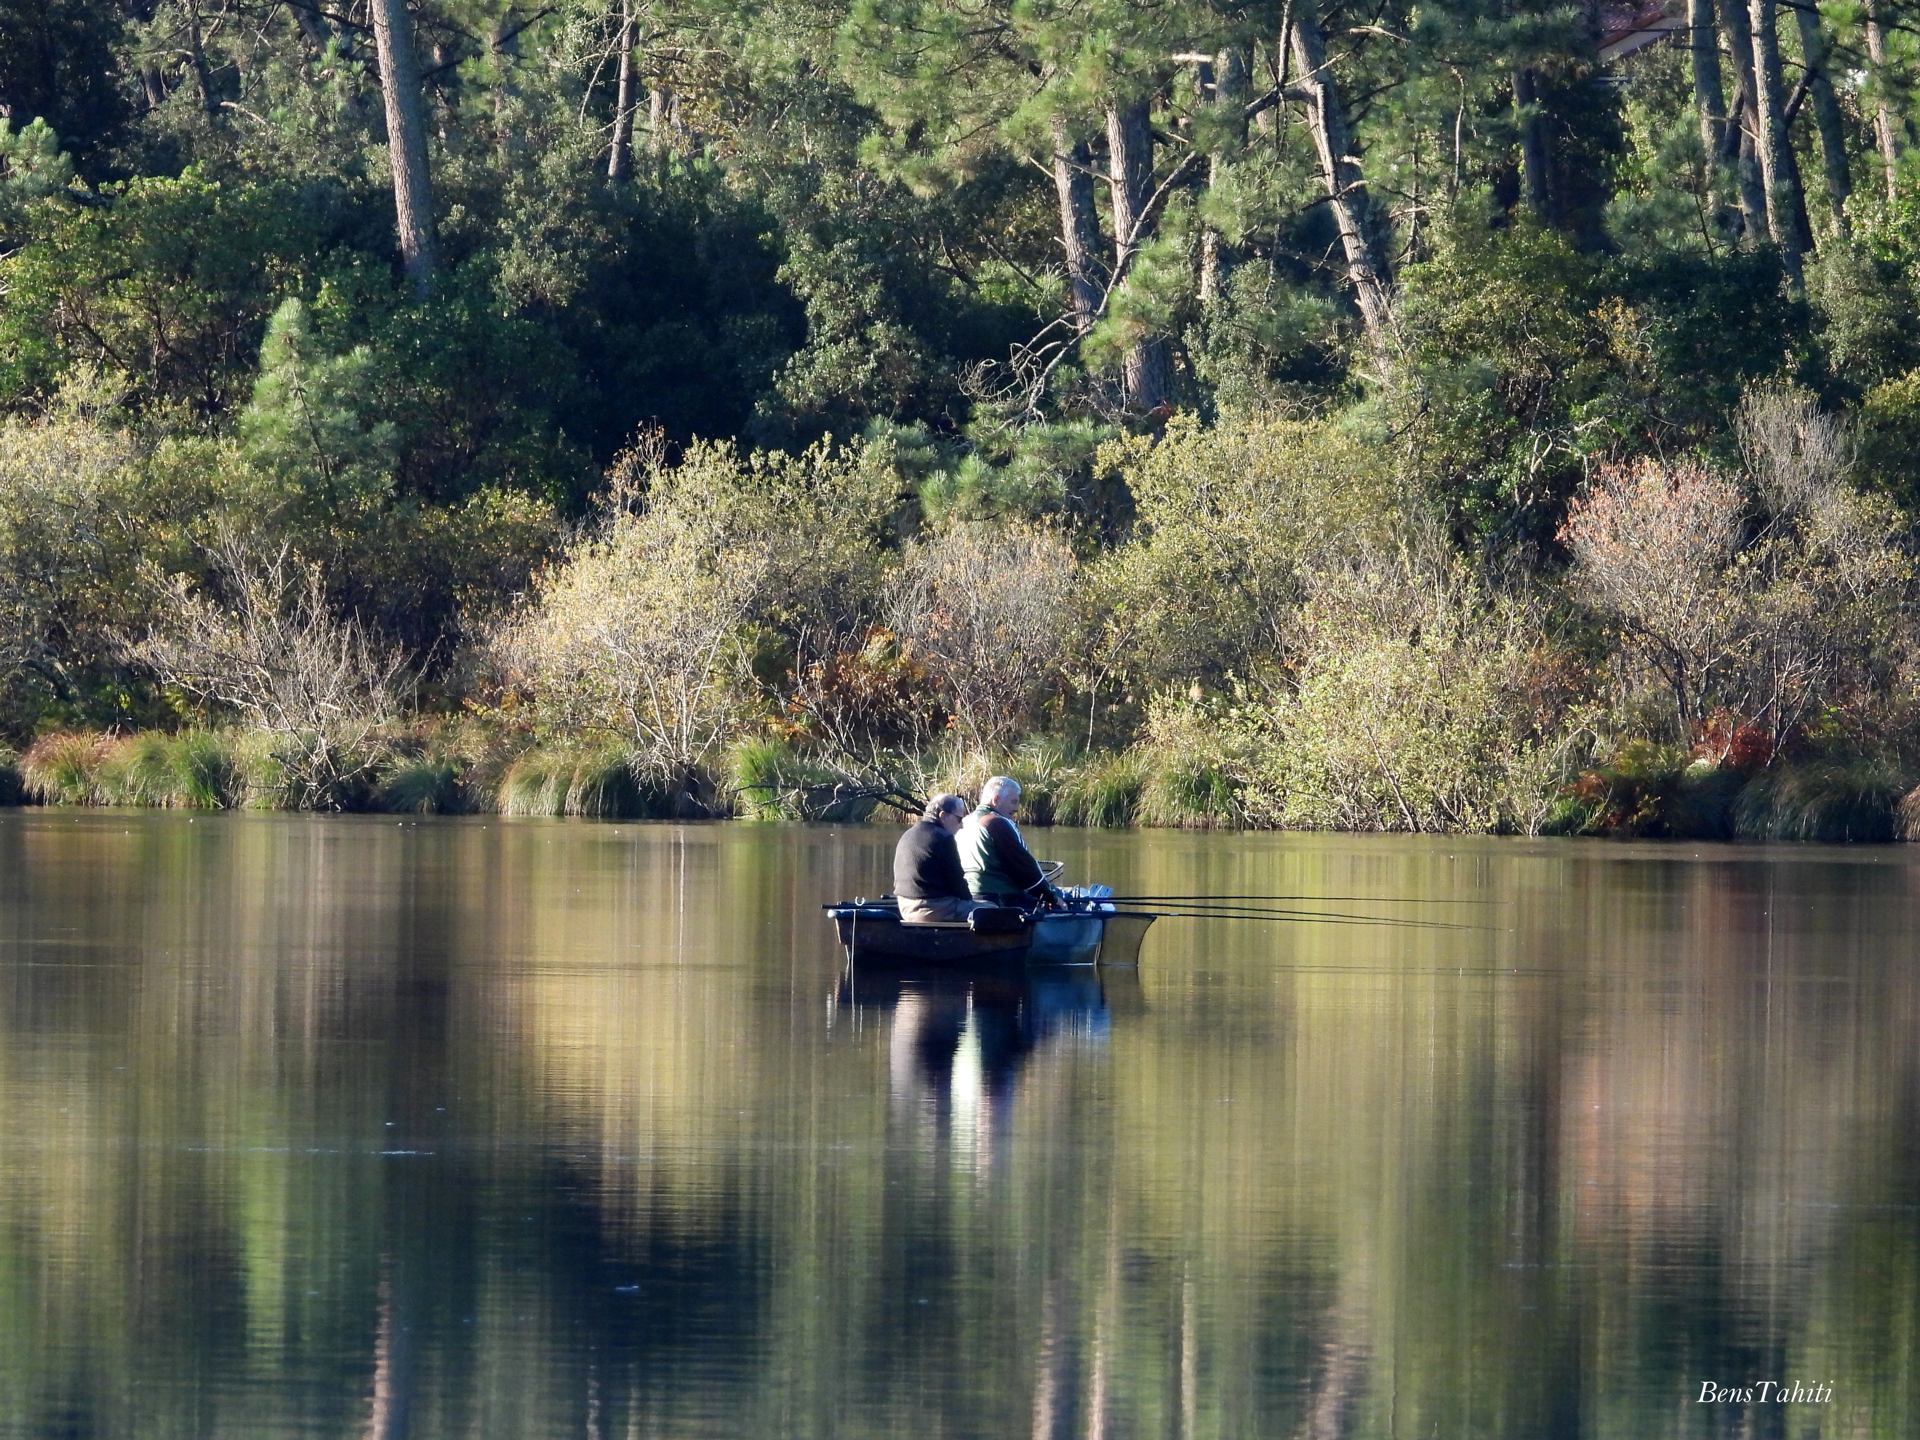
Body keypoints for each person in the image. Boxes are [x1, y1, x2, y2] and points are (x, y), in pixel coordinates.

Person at [958, 776, 1061, 909]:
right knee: (1060, 906)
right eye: (1013, 802)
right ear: (996, 800)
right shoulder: (996, 823)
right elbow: (1023, 868)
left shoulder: (965, 822)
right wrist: (1051, 897)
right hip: (1000, 898)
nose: (1017, 808)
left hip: (970, 895)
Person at [893, 793, 985, 924]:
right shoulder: (943, 838)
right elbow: (957, 882)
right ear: (943, 816)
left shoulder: (908, 834)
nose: (961, 825)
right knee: (991, 909)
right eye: (959, 819)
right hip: (930, 909)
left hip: (904, 906)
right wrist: (971, 902)